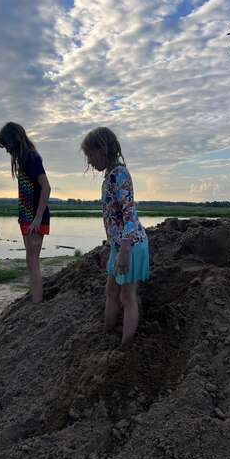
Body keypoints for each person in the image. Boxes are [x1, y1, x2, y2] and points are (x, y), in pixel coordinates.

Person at [81, 127, 149, 348]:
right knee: (111, 291)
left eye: (91, 155)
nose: (90, 161)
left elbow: (128, 213)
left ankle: (125, 348)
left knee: (127, 296)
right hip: (119, 245)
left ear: (104, 149)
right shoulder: (110, 175)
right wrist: (111, 246)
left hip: (131, 245)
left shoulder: (119, 174)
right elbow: (113, 217)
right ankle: (107, 332)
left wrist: (124, 251)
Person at [0, 122, 51, 303]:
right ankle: (35, 298)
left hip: (35, 218)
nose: (6, 150)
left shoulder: (31, 158)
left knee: (32, 261)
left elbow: (46, 187)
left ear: (15, 139)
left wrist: (37, 218)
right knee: (31, 261)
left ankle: (37, 302)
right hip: (27, 218)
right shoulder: (24, 159)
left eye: (6, 145)